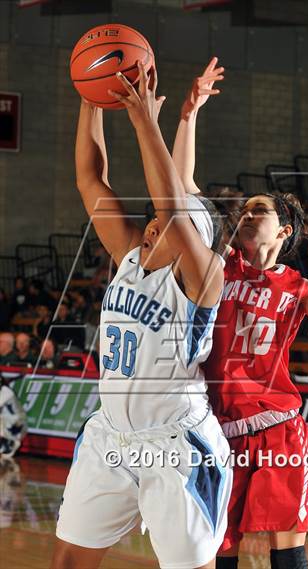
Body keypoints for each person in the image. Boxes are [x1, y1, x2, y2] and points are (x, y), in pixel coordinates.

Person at [173, 89, 308, 569]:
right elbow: (182, 185)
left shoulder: (302, 289)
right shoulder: (219, 265)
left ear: (285, 230)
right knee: (217, 548)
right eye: (244, 210)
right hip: (216, 428)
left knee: (288, 554)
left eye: (259, 211)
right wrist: (189, 115)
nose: (246, 215)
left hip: (277, 427)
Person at [51, 59, 232, 569]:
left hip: (177, 448)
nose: (153, 227)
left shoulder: (204, 278)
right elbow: (90, 178)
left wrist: (144, 120)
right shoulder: (130, 255)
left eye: (167, 226)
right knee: (67, 560)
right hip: (111, 435)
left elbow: (174, 204)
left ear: (193, 240)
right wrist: (93, 97)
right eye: (152, 222)